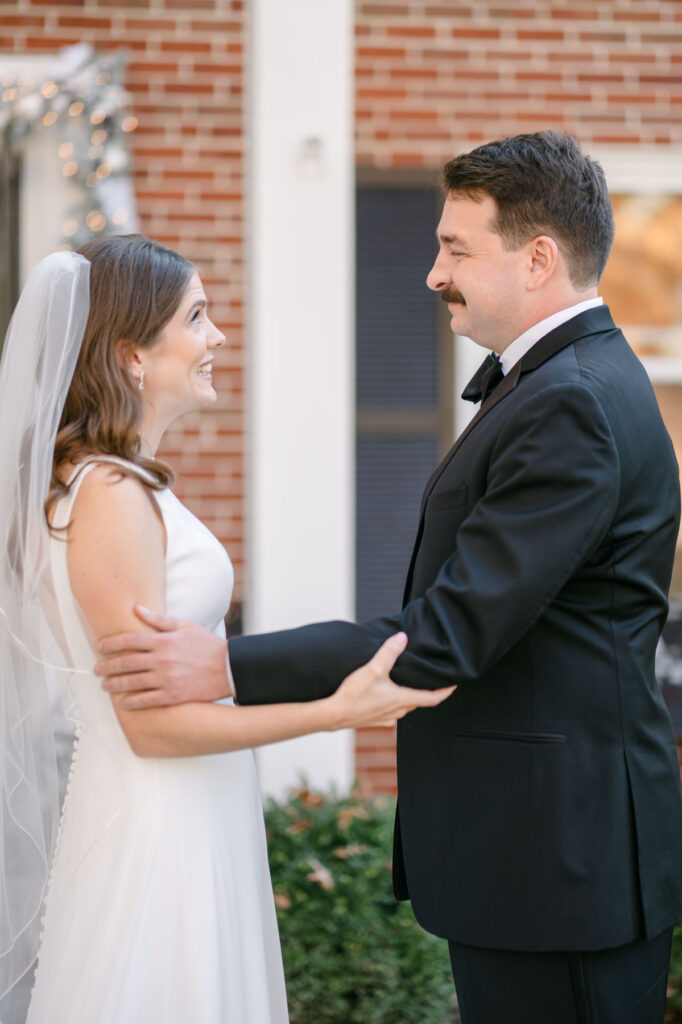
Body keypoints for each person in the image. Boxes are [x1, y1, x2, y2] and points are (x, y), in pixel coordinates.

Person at [98, 132, 682, 1024]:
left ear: (537, 259)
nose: (432, 274)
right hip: (545, 852)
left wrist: (222, 667)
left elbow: (448, 635)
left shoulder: (573, 401)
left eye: (455, 248)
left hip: (561, 859)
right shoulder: (566, 386)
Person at [0, 236, 455, 1024]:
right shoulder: (109, 493)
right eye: (197, 317)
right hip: (155, 827)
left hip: (186, 808)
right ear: (131, 355)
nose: (217, 338)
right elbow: (152, 728)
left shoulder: (113, 482)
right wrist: (339, 710)